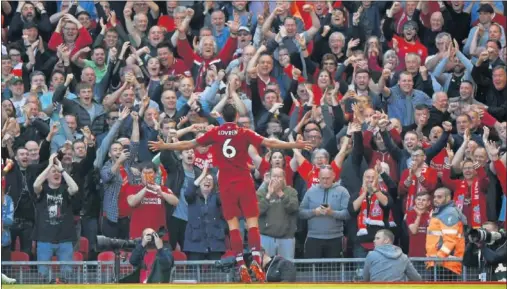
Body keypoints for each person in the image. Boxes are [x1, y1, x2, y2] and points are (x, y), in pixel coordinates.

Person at [149, 103, 312, 283]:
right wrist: (294, 144)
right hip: (243, 181)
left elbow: (190, 143)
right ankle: (256, 261)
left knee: (233, 225)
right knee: (252, 223)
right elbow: (270, 142)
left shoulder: (216, 133)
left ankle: (241, 263)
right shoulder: (244, 132)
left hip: (225, 183)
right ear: (235, 117)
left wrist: (165, 146)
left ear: (223, 117)